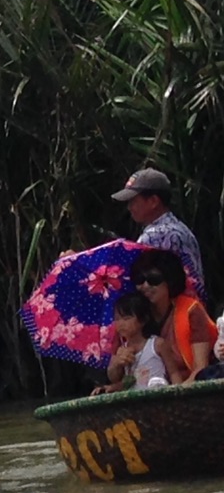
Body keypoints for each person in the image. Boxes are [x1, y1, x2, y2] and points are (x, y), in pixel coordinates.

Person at [115, 167, 205, 303]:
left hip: (175, 315)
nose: (129, 207)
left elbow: (127, 279)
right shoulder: (180, 228)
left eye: (133, 201)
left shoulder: (155, 236)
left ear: (153, 201)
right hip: (192, 310)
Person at [131, 250, 217, 385]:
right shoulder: (134, 316)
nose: (145, 286)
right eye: (140, 280)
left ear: (169, 280)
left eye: (154, 280)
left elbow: (200, 368)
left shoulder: (191, 310)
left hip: (190, 389)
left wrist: (176, 394)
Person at [94, 293, 169, 394]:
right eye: (117, 319)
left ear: (143, 319)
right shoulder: (120, 349)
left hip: (158, 396)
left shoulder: (157, 344)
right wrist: (117, 363)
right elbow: (116, 378)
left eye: (126, 318)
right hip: (134, 402)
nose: (121, 324)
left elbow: (173, 372)